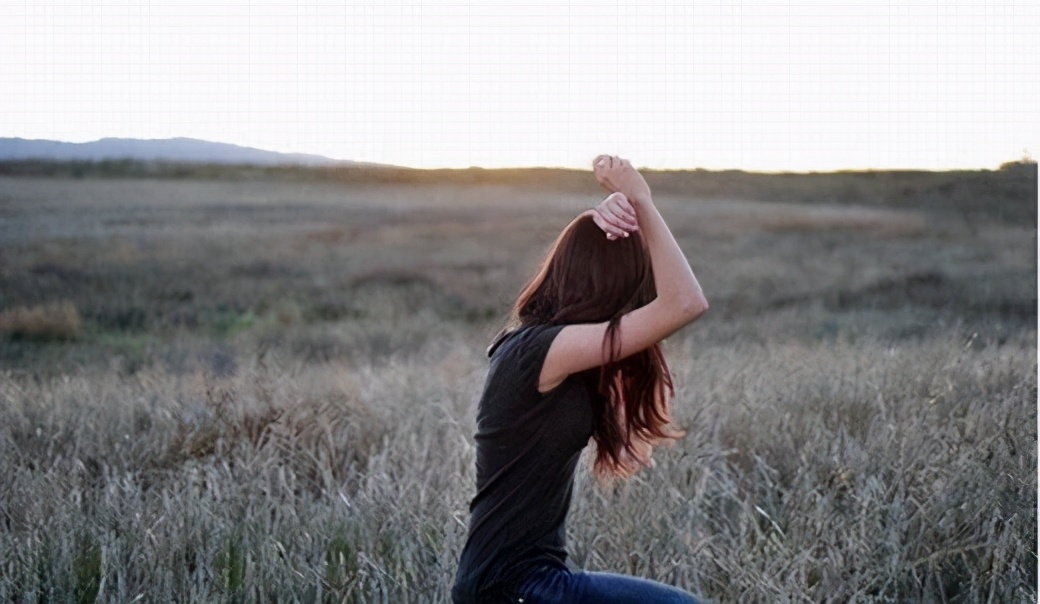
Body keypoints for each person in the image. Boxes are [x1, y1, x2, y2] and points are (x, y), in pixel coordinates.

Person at [451, 155, 708, 604]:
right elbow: (684, 303)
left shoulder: (559, 356)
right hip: (514, 587)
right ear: (614, 287)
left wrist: (621, 209)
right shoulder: (540, 351)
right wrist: (642, 199)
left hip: (521, 583)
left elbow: (634, 447)